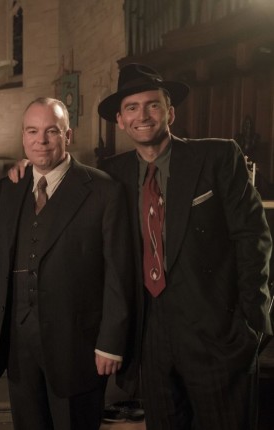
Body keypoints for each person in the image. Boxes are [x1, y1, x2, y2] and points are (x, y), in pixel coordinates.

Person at [98, 63, 273, 429]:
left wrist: (251, 323)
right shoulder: (110, 174)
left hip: (217, 332)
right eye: (132, 108)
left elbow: (253, 239)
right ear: (120, 120)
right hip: (150, 337)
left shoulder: (218, 157)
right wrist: (25, 170)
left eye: (153, 105)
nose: (143, 116)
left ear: (171, 112)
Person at [0, 97, 134, 429]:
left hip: (77, 347)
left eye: (51, 131)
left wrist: (110, 343)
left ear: (67, 135)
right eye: (32, 131)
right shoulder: (8, 189)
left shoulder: (103, 190)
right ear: (23, 136)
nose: (41, 140)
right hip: (19, 346)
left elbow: (119, 272)